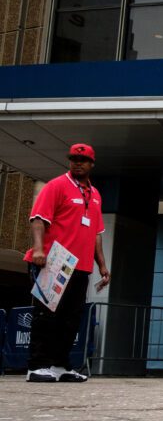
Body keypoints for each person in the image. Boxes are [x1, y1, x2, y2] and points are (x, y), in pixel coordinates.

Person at [23, 143, 110, 383]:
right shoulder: (56, 186)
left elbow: (96, 233)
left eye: (83, 160)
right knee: (47, 316)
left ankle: (60, 365)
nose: (77, 163)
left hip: (81, 266)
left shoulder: (95, 194)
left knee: (71, 318)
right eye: (73, 159)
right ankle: (37, 365)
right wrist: (39, 249)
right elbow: (38, 219)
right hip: (54, 261)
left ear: (92, 164)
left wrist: (102, 265)